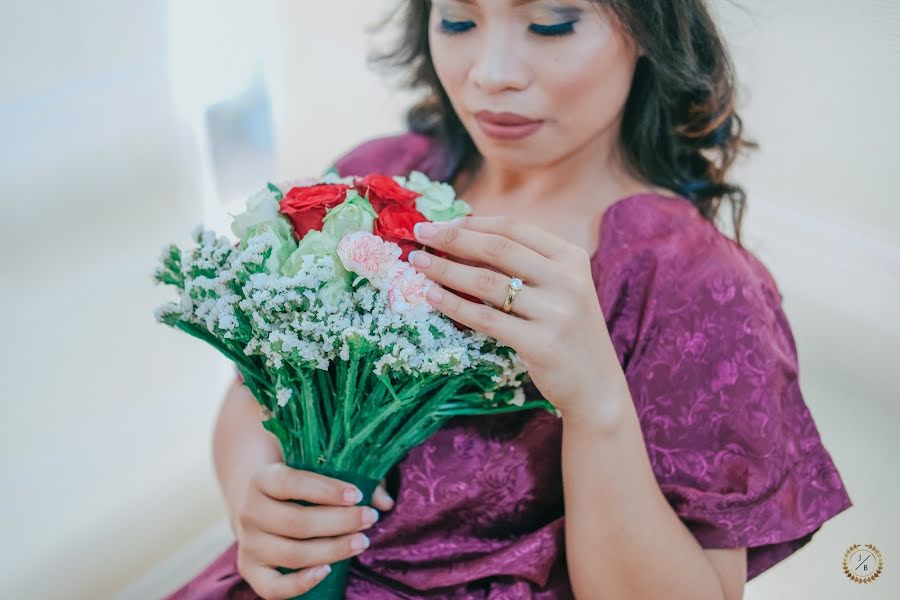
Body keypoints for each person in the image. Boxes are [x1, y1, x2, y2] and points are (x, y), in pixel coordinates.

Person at [165, 1, 853, 598]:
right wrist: (259, 506)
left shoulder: (696, 282)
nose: (491, 73)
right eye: (457, 19)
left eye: (552, 24)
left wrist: (596, 406)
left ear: (649, 24)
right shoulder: (371, 180)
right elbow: (258, 391)